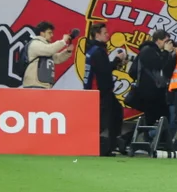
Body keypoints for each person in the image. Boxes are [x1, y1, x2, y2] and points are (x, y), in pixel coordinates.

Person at [83, 23, 121, 157]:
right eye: (105, 33)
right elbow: (104, 70)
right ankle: (103, 147)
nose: (108, 35)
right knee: (106, 120)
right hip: (100, 91)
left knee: (115, 113)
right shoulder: (97, 51)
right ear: (97, 34)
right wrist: (117, 60)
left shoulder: (92, 50)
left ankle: (110, 145)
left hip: (99, 90)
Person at [22, 22, 78, 89]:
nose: (52, 35)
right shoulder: (35, 43)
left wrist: (67, 51)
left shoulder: (45, 47)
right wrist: (63, 41)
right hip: (34, 85)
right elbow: (49, 50)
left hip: (44, 86)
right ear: (42, 33)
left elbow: (57, 59)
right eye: (49, 33)